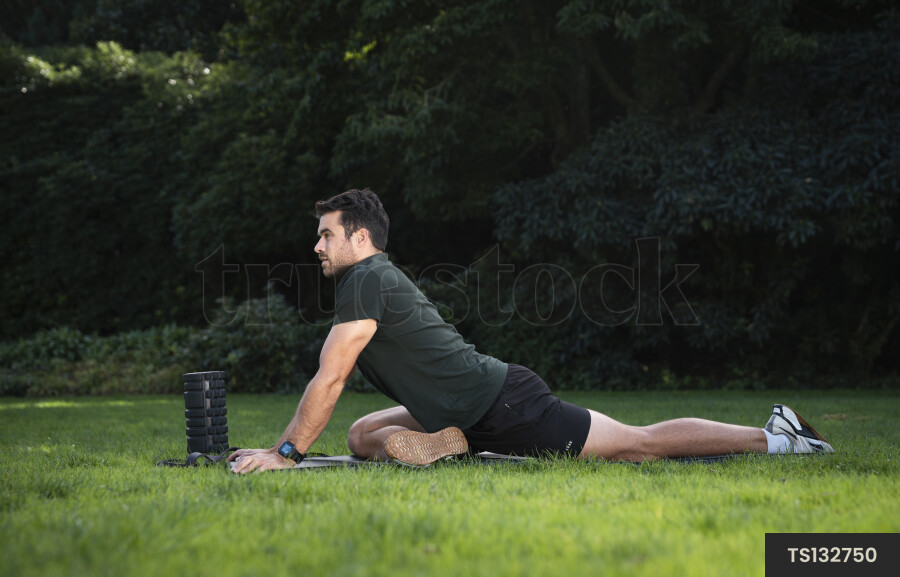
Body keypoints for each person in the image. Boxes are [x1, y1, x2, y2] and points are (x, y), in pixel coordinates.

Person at [228, 188, 834, 474]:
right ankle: (450, 440)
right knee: (364, 434)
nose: (317, 245)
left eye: (327, 234)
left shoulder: (366, 280)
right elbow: (336, 392)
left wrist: (286, 455)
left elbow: (329, 378)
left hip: (506, 403)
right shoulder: (369, 279)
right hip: (464, 407)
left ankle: (777, 437)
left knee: (636, 442)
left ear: (361, 238)